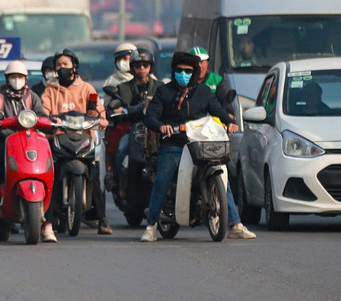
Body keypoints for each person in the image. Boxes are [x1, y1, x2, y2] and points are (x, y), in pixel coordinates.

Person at [139, 50, 255, 242]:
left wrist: (229, 122)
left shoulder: (204, 92)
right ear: (174, 71)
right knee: (162, 181)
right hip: (174, 145)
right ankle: (151, 227)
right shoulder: (164, 92)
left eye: (187, 70)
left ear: (194, 72)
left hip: (200, 144)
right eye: (179, 70)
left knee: (222, 178)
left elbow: (217, 109)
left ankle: (235, 224)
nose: (183, 74)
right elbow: (150, 117)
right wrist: (161, 127)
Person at [0, 60, 55, 243]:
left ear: (26, 79)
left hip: (30, 140)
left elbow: (42, 115)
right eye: (13, 77)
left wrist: (49, 122)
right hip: (7, 140)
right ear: (7, 79)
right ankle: (1, 192)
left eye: (20, 77)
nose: (17, 80)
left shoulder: (33, 97)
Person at [41, 49, 110, 233]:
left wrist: (98, 119)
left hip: (85, 138)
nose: (61, 68)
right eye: (58, 65)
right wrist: (48, 121)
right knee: (50, 176)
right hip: (58, 139)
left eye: (65, 64)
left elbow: (99, 114)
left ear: (74, 66)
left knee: (94, 175)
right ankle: (48, 217)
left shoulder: (87, 88)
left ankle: (102, 220)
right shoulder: (50, 91)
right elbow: (43, 113)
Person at [109, 48, 160, 182]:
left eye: (145, 65)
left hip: (157, 130)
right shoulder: (123, 88)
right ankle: (121, 185)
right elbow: (115, 108)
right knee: (121, 150)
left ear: (151, 67)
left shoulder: (160, 87)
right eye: (138, 65)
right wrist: (119, 110)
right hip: (132, 129)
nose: (142, 68)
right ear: (132, 67)